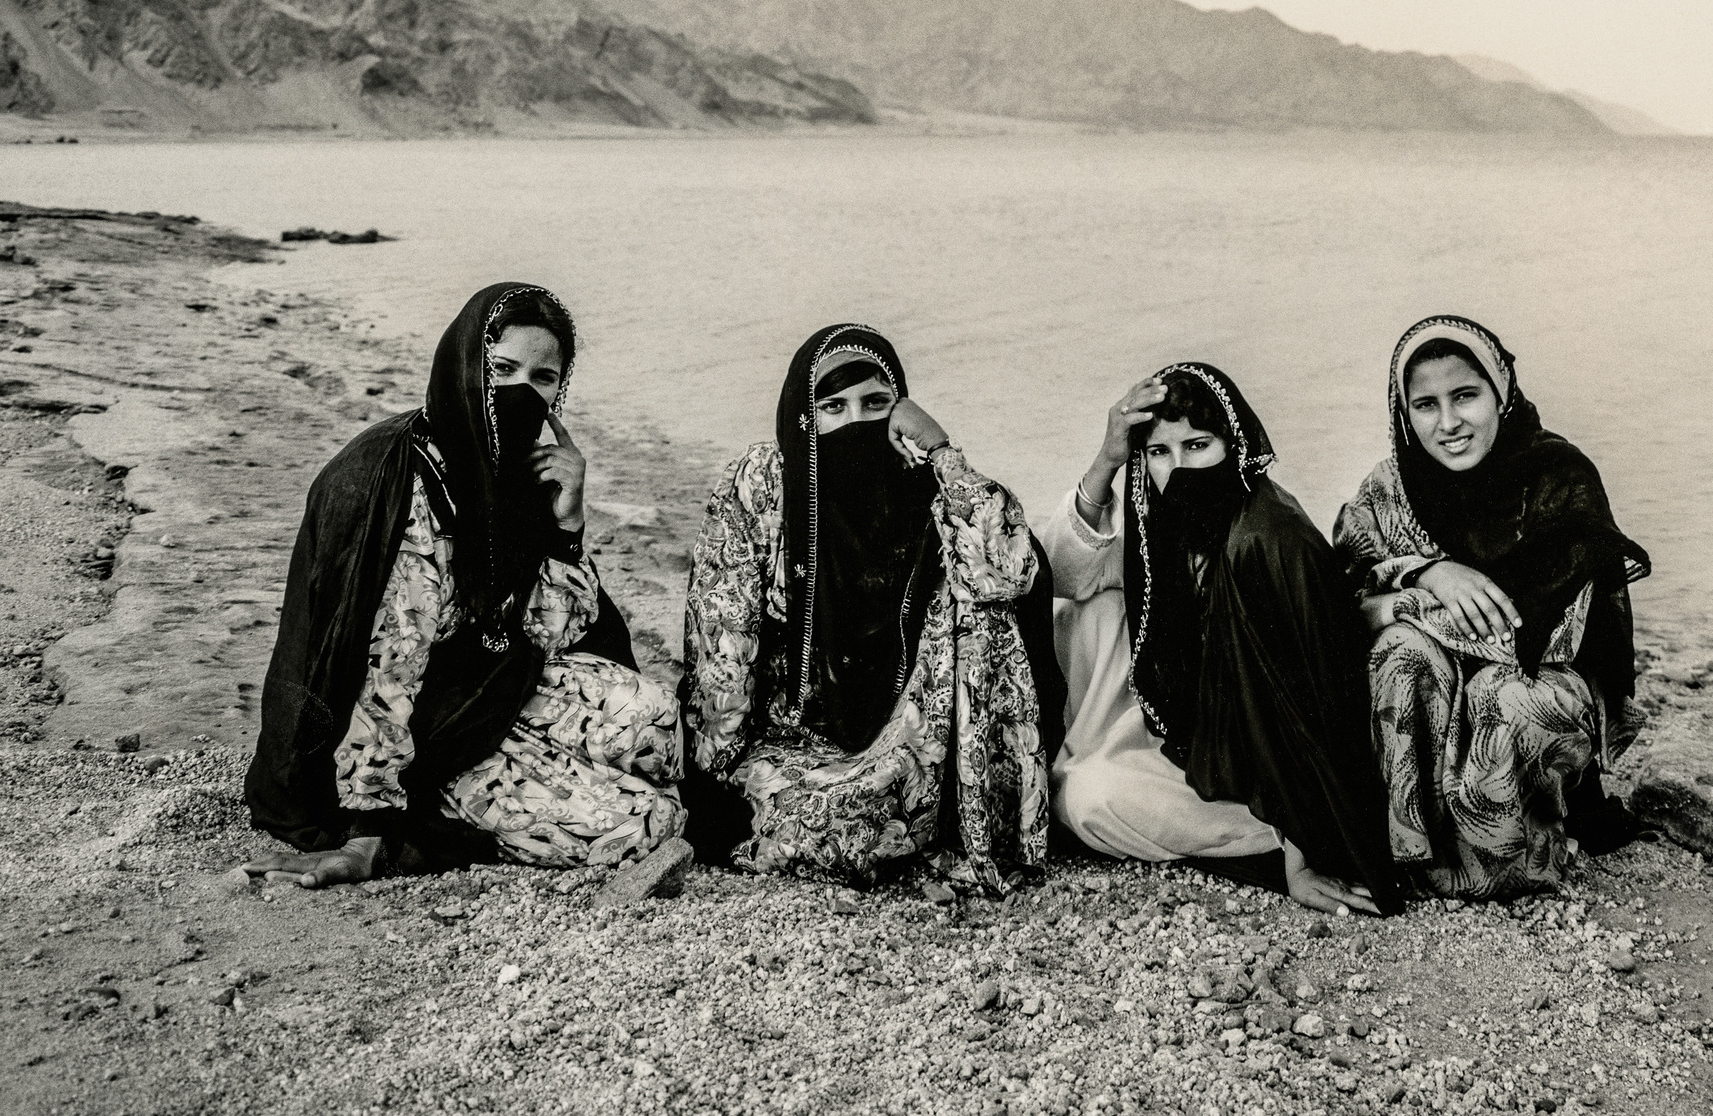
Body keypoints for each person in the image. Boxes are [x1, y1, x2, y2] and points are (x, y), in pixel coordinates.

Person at [242, 282, 683, 885]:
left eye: (543, 378)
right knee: (643, 827)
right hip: (413, 730)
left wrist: (568, 524)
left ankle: (534, 788)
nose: (520, 392)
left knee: (655, 719)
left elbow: (560, 629)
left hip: (482, 684)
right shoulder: (400, 485)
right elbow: (385, 669)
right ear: (465, 364)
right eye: (501, 369)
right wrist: (368, 831)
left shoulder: (514, 468)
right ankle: (419, 837)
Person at [681, 323, 1057, 889]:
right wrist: (718, 768)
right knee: (816, 817)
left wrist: (942, 450)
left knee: (979, 604)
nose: (856, 422)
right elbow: (722, 641)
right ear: (805, 419)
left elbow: (1010, 570)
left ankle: (962, 812)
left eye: (876, 403)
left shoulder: (925, 491)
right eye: (833, 406)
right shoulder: (765, 486)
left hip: (903, 737)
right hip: (787, 737)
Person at [1044, 362, 1402, 916]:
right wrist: (1107, 461)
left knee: (1087, 800)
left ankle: (1275, 842)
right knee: (1091, 605)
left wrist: (1300, 864)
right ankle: (1095, 762)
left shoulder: (1264, 540)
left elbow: (1305, 714)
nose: (1179, 467)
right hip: (1210, 746)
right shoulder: (1164, 528)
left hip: (1286, 783)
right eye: (1159, 453)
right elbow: (1061, 574)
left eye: (1198, 444)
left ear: (1234, 447)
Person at [1334, 313, 1650, 900]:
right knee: (1400, 653)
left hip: (1538, 679)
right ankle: (1412, 851)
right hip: (1446, 677)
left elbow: (1528, 635)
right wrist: (1430, 572)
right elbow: (1337, 599)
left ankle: (1511, 860)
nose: (1448, 423)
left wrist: (1397, 602)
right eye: (1424, 405)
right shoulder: (1389, 487)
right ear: (1403, 411)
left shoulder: (1558, 480)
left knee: (1500, 691)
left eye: (1465, 396)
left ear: (1500, 392)